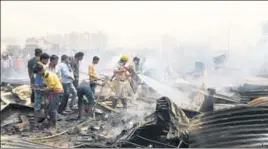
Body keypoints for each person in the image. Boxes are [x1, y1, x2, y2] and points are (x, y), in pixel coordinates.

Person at [33, 63, 64, 129]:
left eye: (37, 73)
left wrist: (41, 89)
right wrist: (39, 86)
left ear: (40, 71)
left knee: (53, 109)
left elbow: (50, 87)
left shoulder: (48, 75)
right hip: (53, 92)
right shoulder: (45, 75)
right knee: (50, 108)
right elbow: (47, 84)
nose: (37, 74)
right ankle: (51, 123)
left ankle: (54, 125)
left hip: (57, 92)